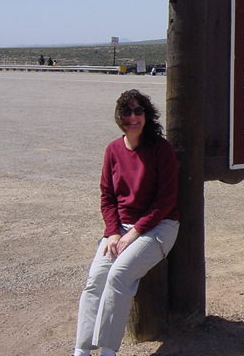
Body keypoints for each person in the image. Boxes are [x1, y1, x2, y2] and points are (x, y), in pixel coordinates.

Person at [72, 89, 180, 356]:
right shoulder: (113, 149)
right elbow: (107, 196)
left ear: (147, 115)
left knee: (119, 275)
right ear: (119, 117)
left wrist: (135, 233)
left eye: (138, 111)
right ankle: (81, 350)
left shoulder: (160, 149)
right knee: (95, 281)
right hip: (120, 229)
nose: (133, 117)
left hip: (159, 226)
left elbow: (165, 200)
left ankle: (107, 350)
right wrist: (111, 233)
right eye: (127, 112)